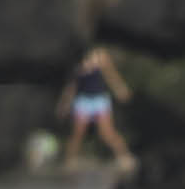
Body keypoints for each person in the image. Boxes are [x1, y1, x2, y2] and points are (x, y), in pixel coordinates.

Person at [57, 46, 135, 174]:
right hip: (83, 101)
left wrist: (120, 89)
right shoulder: (77, 62)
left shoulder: (100, 57)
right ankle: (70, 161)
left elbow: (111, 75)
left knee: (107, 133)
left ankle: (124, 157)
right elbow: (72, 86)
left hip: (99, 100)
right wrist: (64, 104)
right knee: (77, 132)